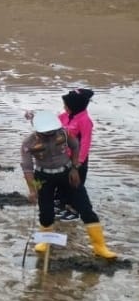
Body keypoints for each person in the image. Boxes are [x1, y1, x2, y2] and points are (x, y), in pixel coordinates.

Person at [22, 111, 116, 259]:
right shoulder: (28, 144)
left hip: (67, 173)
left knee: (85, 208)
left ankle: (100, 247)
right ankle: (45, 241)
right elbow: (27, 168)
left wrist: (74, 167)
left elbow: (76, 145)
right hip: (43, 177)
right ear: (38, 131)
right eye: (46, 133)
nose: (50, 135)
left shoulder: (64, 133)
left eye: (52, 132)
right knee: (46, 213)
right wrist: (32, 190)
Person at [57, 88, 95, 220]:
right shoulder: (66, 116)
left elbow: (85, 142)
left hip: (77, 159)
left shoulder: (85, 121)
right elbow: (53, 123)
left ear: (74, 106)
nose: (64, 107)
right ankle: (62, 203)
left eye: (66, 106)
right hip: (63, 156)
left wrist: (79, 162)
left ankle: (75, 210)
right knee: (63, 181)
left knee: (75, 184)